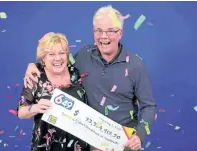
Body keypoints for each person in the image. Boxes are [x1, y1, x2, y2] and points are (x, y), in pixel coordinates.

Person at [23, 5, 157, 151]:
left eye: (110, 31)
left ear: (120, 33)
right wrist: (35, 66)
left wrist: (139, 135)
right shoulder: (84, 56)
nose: (103, 36)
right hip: (88, 145)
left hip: (123, 144)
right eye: (98, 30)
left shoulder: (136, 65)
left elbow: (148, 106)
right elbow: (57, 64)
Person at [17, 32, 89, 151]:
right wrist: (35, 108)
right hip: (46, 146)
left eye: (62, 53)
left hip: (78, 146)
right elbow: (21, 111)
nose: (58, 58)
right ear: (43, 58)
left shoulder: (76, 74)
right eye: (51, 54)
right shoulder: (36, 76)